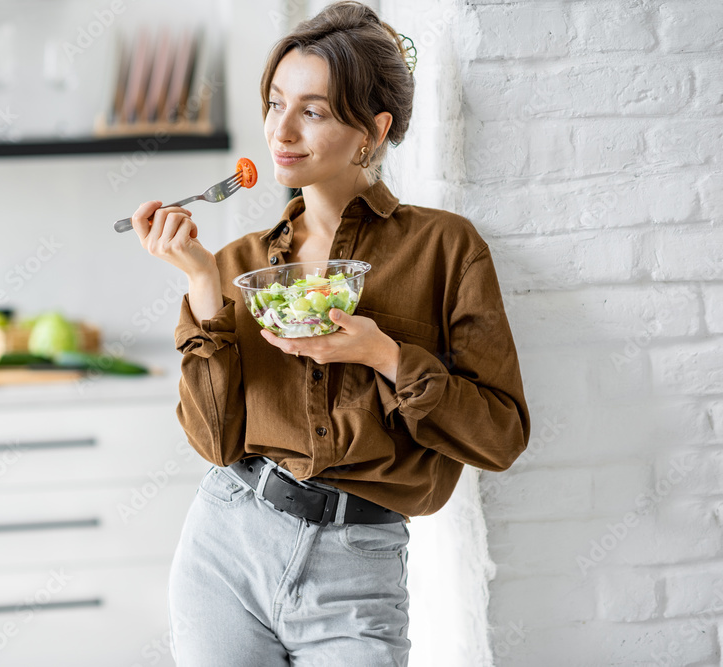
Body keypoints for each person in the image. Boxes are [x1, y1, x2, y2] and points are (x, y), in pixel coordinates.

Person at [128, 2, 530, 664]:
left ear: (373, 129)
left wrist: (382, 352)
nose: (280, 129)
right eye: (276, 103)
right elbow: (213, 440)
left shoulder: (445, 249)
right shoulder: (237, 266)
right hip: (227, 544)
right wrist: (203, 286)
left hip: (358, 568)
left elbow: (500, 434)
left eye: (312, 111)